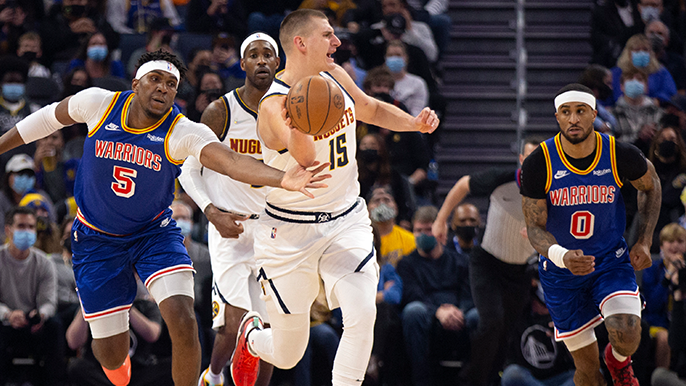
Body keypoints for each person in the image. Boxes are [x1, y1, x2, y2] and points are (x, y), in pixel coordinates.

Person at [0, 49, 330, 386]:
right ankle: (116, 361)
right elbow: (47, 119)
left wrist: (282, 178)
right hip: (96, 240)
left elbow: (230, 161)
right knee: (110, 356)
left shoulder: (181, 130)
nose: (163, 88)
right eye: (155, 79)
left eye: (171, 84)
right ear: (136, 83)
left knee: (184, 320)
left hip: (152, 236)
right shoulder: (98, 104)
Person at [229, 9, 438, 386]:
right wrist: (301, 123)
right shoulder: (273, 106)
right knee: (290, 352)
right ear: (300, 43)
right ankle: (253, 337)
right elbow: (309, 164)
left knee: (361, 314)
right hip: (290, 233)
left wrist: (413, 124)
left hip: (346, 220)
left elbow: (370, 108)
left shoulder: (336, 75)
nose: (337, 42)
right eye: (328, 35)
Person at [520, 83, 661, 386]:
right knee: (587, 370)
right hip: (561, 273)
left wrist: (645, 240)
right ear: (557, 117)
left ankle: (619, 361)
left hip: (610, 260)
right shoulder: (539, 163)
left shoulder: (619, 153)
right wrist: (562, 255)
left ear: (594, 114)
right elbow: (534, 227)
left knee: (628, 333)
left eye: (581, 111)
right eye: (566, 112)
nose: (573, 119)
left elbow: (651, 185)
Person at [178, 32, 281, 386]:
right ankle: (215, 374)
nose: (262, 60)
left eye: (268, 54)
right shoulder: (221, 110)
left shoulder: (291, 114)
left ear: (278, 63)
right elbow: (189, 169)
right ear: (243, 64)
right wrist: (211, 212)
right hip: (229, 228)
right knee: (234, 325)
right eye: (254, 55)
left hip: (273, 230)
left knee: (272, 333)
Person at [432, 137, 539, 386]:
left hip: (520, 271)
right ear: (522, 160)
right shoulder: (501, 179)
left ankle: (489, 379)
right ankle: (470, 380)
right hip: (487, 264)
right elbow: (463, 185)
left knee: (506, 333)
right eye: (530, 158)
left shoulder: (554, 192)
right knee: (492, 322)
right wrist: (440, 220)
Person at [397, 205, 477, 386]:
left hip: (460, 313)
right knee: (413, 311)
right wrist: (437, 312)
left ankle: (475, 378)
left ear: (441, 230)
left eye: (429, 229)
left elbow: (469, 293)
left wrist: (459, 311)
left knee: (477, 315)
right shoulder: (406, 264)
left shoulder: (461, 261)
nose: (424, 235)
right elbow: (412, 294)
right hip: (426, 313)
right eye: (419, 230)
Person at [0, 206, 64, 386]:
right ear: (8, 230)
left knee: (55, 325)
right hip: (5, 321)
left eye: (31, 227)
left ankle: (56, 382)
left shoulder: (44, 262)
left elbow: (49, 301)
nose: (27, 232)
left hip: (34, 322)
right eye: (21, 226)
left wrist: (41, 315)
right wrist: (8, 314)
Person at [642, 223, 685, 370]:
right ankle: (661, 378)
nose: (675, 246)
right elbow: (651, 305)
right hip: (658, 323)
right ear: (661, 246)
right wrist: (668, 277)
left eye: (680, 241)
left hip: (681, 322)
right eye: (670, 241)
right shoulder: (651, 269)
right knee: (664, 337)